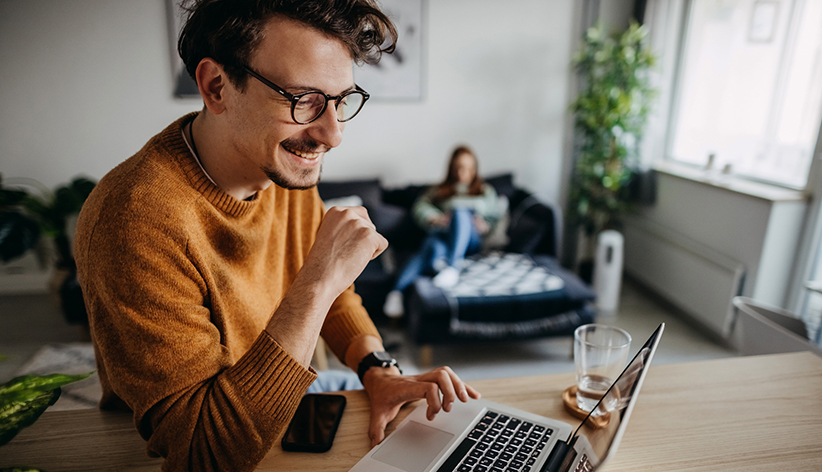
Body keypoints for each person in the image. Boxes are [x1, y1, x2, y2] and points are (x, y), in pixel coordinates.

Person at [73, 1, 480, 470]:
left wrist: (378, 371)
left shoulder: (281, 169)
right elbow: (205, 451)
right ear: (217, 87)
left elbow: (338, 300)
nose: (332, 134)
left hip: (289, 410)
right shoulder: (136, 219)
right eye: (303, 98)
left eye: (341, 100)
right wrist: (319, 281)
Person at [383, 145, 506, 318]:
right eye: (458, 168)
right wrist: (436, 218)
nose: (463, 173)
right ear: (452, 168)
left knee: (460, 212)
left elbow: (495, 217)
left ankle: (452, 266)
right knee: (432, 246)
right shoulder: (439, 190)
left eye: (468, 168)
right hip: (443, 235)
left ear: (474, 169)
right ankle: (396, 294)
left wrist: (485, 225)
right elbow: (420, 206)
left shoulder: (485, 191)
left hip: (470, 240)